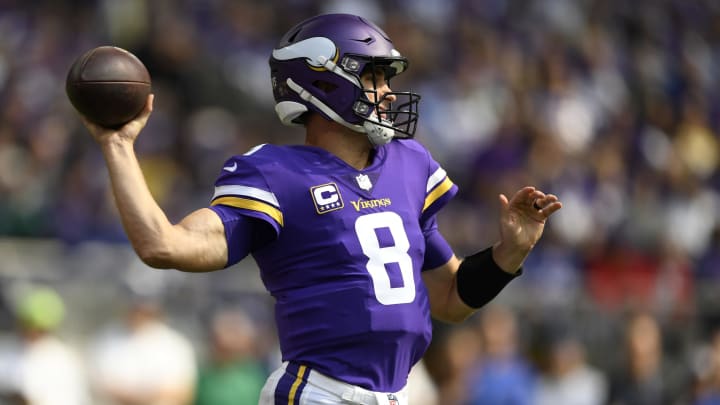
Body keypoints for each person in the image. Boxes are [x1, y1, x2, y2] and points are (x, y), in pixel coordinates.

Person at [76, 13, 562, 405]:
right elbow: (163, 245)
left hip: (397, 395)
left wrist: (508, 254)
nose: (388, 92)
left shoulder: (409, 165)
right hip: (319, 393)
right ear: (326, 83)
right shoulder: (276, 174)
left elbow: (452, 299)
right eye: (373, 76)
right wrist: (119, 147)